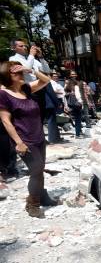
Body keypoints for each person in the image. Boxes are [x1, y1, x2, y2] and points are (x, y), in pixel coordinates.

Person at [0, 61, 58, 218]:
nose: (21, 74)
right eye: (17, 72)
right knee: (36, 170)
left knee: (40, 169)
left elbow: (46, 81)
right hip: (25, 140)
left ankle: (42, 196)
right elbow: (5, 121)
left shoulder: (25, 89)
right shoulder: (4, 95)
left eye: (21, 72)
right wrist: (19, 142)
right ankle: (32, 204)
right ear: (7, 76)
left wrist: (30, 69)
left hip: (38, 136)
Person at [42, 73, 62, 143]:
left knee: (43, 122)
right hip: (49, 103)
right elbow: (51, 93)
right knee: (51, 121)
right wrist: (58, 103)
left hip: (41, 104)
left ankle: (56, 137)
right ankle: (52, 139)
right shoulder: (46, 81)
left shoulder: (36, 82)